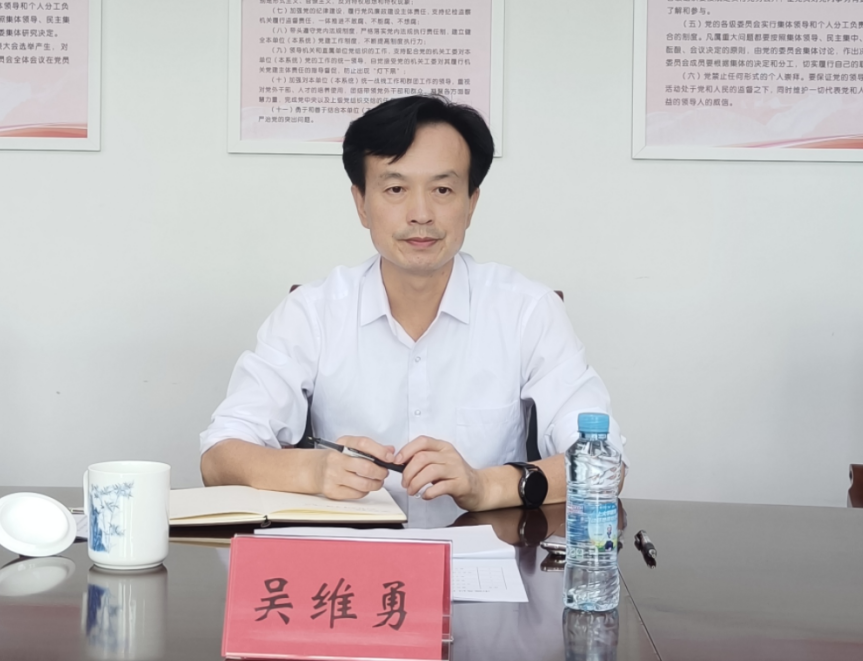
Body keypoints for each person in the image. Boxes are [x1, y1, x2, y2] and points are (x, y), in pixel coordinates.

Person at [200, 95, 624, 519]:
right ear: (361, 203)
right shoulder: (312, 313)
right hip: (351, 556)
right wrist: (313, 470)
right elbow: (219, 457)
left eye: (442, 190)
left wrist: (484, 484)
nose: (421, 214)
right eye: (396, 189)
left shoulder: (527, 311)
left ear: (471, 203)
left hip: (488, 554)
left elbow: (605, 465)